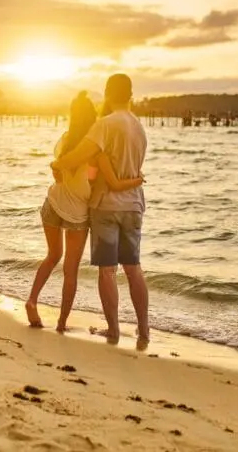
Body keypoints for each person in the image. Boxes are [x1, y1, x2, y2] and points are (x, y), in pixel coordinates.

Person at [26, 91, 144, 332]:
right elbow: (105, 182)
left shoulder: (65, 139)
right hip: (78, 214)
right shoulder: (96, 152)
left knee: (52, 257)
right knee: (71, 271)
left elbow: (59, 166)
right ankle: (61, 323)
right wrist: (136, 180)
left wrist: (56, 167)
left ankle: (32, 301)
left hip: (52, 204)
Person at [52, 74, 150, 350]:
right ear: (131, 94)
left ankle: (114, 331)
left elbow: (78, 156)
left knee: (107, 271)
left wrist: (57, 163)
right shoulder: (140, 128)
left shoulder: (105, 125)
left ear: (107, 94)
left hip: (106, 206)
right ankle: (144, 330)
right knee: (134, 269)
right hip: (133, 205)